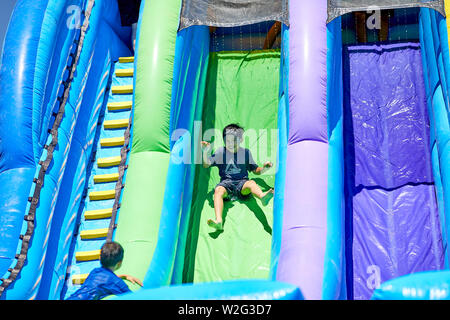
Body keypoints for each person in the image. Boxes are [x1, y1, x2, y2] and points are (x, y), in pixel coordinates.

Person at [201, 124, 274, 231]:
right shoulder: (221, 152)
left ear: (241, 139)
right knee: (218, 190)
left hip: (242, 184)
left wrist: (264, 168)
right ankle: (219, 221)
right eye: (227, 141)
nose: (230, 144)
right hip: (226, 184)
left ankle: (262, 196)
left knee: (251, 183)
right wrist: (205, 152)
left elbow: (256, 170)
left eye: (234, 141)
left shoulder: (245, 153)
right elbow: (206, 164)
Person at [66, 241, 143, 300]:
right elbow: (133, 297)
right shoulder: (116, 283)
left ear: (100, 258)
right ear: (119, 263)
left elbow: (103, 281)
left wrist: (123, 276)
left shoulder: (95, 271)